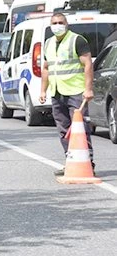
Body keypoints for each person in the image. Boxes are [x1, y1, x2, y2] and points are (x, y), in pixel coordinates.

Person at [39, 13, 94, 176]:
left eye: (60, 22)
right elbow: (46, 68)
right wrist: (43, 89)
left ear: (66, 23)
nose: (57, 25)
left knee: (80, 128)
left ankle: (88, 162)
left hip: (75, 91)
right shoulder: (48, 43)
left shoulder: (77, 40)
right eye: (54, 23)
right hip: (57, 92)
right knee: (63, 128)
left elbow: (88, 64)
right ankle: (70, 160)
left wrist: (88, 88)